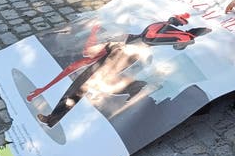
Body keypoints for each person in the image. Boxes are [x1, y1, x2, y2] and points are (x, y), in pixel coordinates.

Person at [30, 14, 211, 127]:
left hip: (124, 56)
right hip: (117, 54)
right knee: (77, 88)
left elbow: (160, 40)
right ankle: (53, 118)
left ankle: (136, 87)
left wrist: (187, 36)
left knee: (91, 86)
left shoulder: (155, 35)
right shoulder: (149, 29)